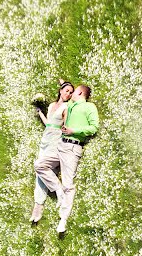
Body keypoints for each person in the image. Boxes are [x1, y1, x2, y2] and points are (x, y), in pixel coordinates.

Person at [34, 84, 99, 234]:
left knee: (68, 185)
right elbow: (62, 97)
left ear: (80, 93)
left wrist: (73, 130)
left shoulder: (89, 107)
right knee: (39, 164)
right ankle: (57, 189)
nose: (71, 94)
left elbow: (94, 127)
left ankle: (63, 219)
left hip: (72, 148)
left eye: (74, 92)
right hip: (60, 144)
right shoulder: (70, 105)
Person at [29, 80, 74, 224]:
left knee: (42, 167)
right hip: (46, 139)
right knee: (40, 173)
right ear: (60, 91)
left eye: (71, 92)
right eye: (67, 90)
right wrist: (39, 112)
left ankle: (57, 191)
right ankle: (38, 206)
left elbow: (65, 125)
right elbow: (48, 123)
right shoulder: (51, 106)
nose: (69, 94)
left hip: (56, 140)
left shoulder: (66, 107)